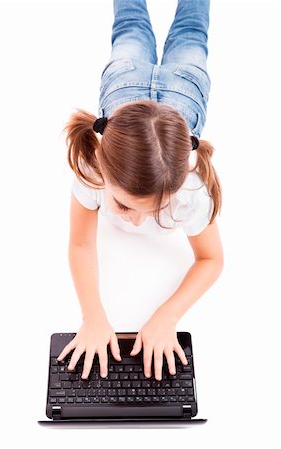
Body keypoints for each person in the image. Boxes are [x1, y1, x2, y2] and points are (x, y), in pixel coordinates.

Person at [57, 0, 224, 382]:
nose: (134, 221)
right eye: (123, 204)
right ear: (101, 165)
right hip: (140, 82)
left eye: (152, 211)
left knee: (190, 29)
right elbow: (80, 244)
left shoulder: (191, 189)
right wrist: (93, 315)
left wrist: (166, 317)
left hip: (166, 85)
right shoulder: (92, 167)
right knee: (131, 23)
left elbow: (211, 259)